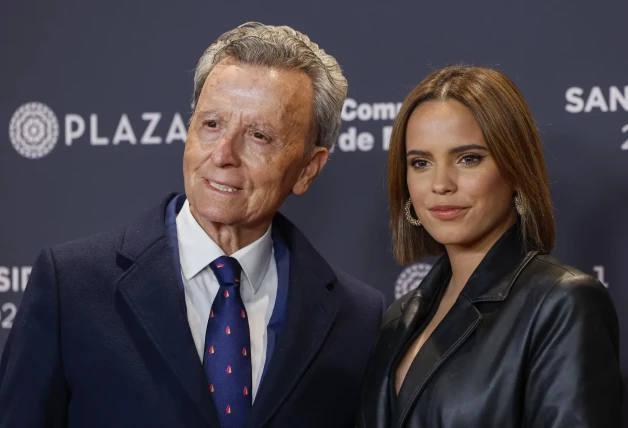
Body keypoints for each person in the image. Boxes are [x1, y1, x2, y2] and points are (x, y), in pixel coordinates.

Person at [0, 22, 384, 428]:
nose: (222, 155)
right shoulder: (72, 287)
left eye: (258, 135)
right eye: (212, 124)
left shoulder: (357, 317)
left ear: (308, 169)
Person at [357, 65, 622, 427]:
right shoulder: (399, 318)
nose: (441, 184)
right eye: (421, 163)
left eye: (468, 159)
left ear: (515, 169)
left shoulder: (564, 304)